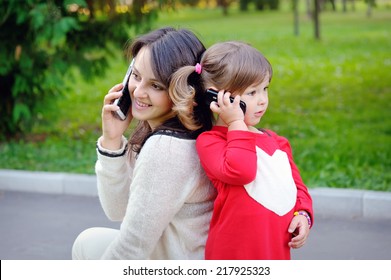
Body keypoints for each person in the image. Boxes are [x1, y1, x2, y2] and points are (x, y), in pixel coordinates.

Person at [71, 27, 217, 260]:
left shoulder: (166, 150)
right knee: (88, 242)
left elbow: (131, 249)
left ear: (183, 92)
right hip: (173, 255)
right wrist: (111, 141)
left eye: (156, 85)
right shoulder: (183, 131)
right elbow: (117, 210)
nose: (138, 92)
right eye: (136, 76)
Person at [170, 41, 314, 260]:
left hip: (274, 253)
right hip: (233, 257)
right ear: (218, 97)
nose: (262, 100)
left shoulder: (278, 143)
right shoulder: (211, 142)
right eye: (252, 92)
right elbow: (241, 171)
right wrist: (236, 123)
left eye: (265, 89)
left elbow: (297, 188)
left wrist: (303, 215)